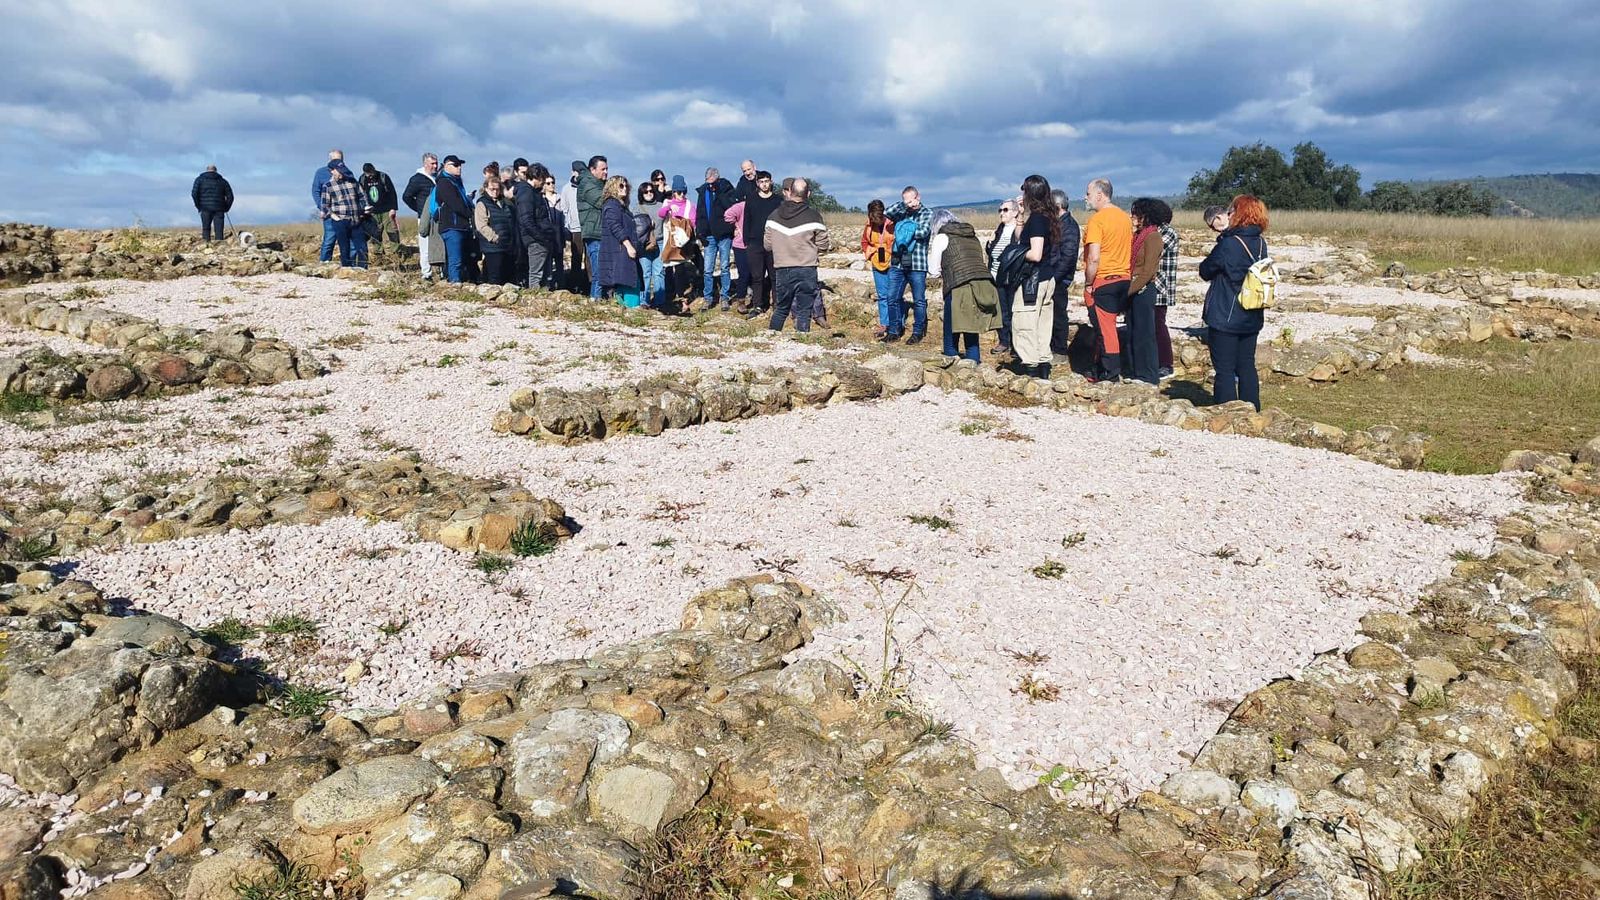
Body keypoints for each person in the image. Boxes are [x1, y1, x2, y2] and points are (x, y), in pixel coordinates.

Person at [1199, 195, 1269, 409]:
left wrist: (1222, 241)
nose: (1228, 213)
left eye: (1232, 210)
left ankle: (1226, 410)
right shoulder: (1260, 242)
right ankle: (1252, 407)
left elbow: (1206, 270)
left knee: (1225, 368)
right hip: (1252, 311)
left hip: (1226, 313)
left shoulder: (1229, 243)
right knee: (1247, 364)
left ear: (1239, 213)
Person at [928, 210, 1002, 362]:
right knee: (971, 332)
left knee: (951, 331)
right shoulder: (971, 235)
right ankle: (974, 368)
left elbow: (933, 271)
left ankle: (951, 366)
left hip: (958, 286)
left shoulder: (942, 237)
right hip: (983, 284)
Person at [1082, 178, 1133, 382]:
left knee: (1106, 329)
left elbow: (1094, 257)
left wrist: (1088, 282)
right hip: (1124, 278)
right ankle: (1100, 367)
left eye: (1088, 193)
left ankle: (1110, 373)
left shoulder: (1098, 220)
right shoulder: (1124, 218)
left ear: (1100, 195)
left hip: (1104, 279)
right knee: (1108, 327)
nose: (1085, 197)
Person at [765, 177, 829, 333]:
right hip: (807, 268)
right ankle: (802, 341)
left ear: (790, 192)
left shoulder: (773, 216)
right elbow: (824, 245)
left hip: (782, 268)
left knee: (781, 309)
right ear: (808, 194)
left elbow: (767, 245)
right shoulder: (814, 216)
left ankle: (770, 338)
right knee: (804, 311)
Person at [1012, 175, 1061, 378]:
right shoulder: (1046, 217)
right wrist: (1021, 216)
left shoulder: (1039, 220)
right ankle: (1042, 368)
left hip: (1033, 280)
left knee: (1025, 322)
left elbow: (1035, 252)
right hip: (1046, 277)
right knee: (1042, 323)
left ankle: (1031, 370)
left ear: (1029, 193)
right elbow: (1019, 237)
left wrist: (1014, 255)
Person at [1124, 198, 1167, 385]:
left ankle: (1148, 375)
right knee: (1133, 331)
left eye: (1136, 213)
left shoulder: (1153, 237)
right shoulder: (1139, 235)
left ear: (1145, 216)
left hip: (1143, 289)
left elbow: (1149, 270)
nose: (1132, 216)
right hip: (1134, 287)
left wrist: (1128, 291)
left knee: (1145, 333)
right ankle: (1136, 371)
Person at [884, 186, 933, 344]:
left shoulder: (927, 213)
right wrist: (903, 205)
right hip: (898, 263)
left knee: (919, 300)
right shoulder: (902, 211)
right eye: (906, 201)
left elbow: (923, 232)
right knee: (892, 297)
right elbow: (887, 212)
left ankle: (918, 332)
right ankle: (894, 330)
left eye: (911, 200)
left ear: (918, 197)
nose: (909, 204)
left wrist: (903, 231)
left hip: (917, 263)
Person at [734, 171, 780, 319]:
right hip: (754, 244)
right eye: (761, 181)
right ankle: (758, 305)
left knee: (774, 276)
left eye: (767, 181)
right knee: (757, 277)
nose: (764, 184)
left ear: (771, 182)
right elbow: (746, 221)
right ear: (757, 183)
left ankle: (777, 305)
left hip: (773, 243)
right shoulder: (752, 199)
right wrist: (747, 241)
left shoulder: (778, 200)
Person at [514, 163, 560, 290]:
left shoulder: (533, 193)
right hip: (536, 240)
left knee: (546, 276)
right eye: (543, 180)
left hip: (541, 238)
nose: (544, 183)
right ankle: (534, 303)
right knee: (537, 275)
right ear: (537, 177)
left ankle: (542, 303)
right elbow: (526, 220)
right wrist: (541, 237)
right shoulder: (526, 192)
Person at [598, 175, 642, 307]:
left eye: (626, 186)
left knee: (627, 282)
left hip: (621, 252)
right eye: (621, 186)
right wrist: (628, 246)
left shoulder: (621, 206)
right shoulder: (611, 205)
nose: (625, 188)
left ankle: (628, 309)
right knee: (628, 282)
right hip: (619, 251)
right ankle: (632, 311)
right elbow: (615, 227)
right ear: (612, 188)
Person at [1048, 188, 1081, 358]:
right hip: (1054, 275)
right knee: (1051, 314)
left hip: (1059, 279)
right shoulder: (1058, 223)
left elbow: (1068, 256)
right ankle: (1052, 347)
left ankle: (1060, 350)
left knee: (1058, 314)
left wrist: (1054, 278)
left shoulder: (1069, 226)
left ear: (1057, 205)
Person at [696, 168, 736, 310]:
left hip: (724, 234)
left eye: (713, 182)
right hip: (709, 235)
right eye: (708, 182)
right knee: (708, 269)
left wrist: (718, 192)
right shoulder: (703, 192)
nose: (711, 185)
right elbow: (700, 212)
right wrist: (700, 232)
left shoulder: (726, 189)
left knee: (725, 267)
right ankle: (708, 298)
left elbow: (730, 207)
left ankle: (724, 297)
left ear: (718, 179)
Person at [318, 161, 370, 268]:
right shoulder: (328, 186)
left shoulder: (353, 182)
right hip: (340, 221)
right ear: (332, 171)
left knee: (362, 247)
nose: (341, 173)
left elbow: (362, 197)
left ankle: (363, 269)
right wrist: (334, 217)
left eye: (342, 170)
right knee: (344, 247)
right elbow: (325, 205)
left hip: (356, 219)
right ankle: (346, 269)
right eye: (338, 170)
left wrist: (364, 209)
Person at [1150, 199, 1180, 380]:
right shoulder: (1155, 232)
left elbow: (1152, 251)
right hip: (1154, 284)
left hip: (1161, 285)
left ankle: (1166, 363)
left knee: (1159, 324)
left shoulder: (1168, 233)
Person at [986, 199, 1020, 355]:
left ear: (1015, 212)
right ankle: (1004, 341)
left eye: (1005, 210)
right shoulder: (1000, 228)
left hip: (1010, 277)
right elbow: (993, 250)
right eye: (1000, 210)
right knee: (1001, 311)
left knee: (1013, 311)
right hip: (995, 275)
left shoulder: (1019, 229)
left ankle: (1015, 344)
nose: (1001, 213)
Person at [434, 155, 474, 283]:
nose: (459, 168)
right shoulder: (444, 182)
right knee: (455, 259)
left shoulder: (457, 182)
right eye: (455, 165)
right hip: (451, 226)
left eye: (460, 165)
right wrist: (469, 213)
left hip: (460, 225)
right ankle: (454, 283)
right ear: (446, 166)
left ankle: (460, 281)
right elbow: (454, 203)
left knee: (462, 258)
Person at [658, 175, 697, 306]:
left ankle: (681, 296)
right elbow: (661, 214)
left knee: (680, 269)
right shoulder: (667, 203)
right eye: (678, 192)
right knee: (667, 268)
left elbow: (693, 222)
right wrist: (669, 208)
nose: (680, 195)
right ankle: (669, 296)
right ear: (674, 192)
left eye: (683, 192)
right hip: (669, 241)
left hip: (682, 242)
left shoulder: (690, 205)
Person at [861, 200, 895, 340]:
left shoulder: (892, 224)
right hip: (877, 262)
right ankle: (884, 324)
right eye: (873, 218)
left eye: (878, 219)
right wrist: (870, 254)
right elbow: (864, 242)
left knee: (893, 295)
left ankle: (896, 323)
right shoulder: (868, 225)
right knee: (882, 295)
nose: (876, 222)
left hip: (892, 263)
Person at [474, 177, 517, 284]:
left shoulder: (505, 203)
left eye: (497, 189)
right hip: (492, 247)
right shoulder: (482, 203)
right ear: (485, 188)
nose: (495, 191)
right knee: (494, 278)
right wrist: (494, 238)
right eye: (492, 189)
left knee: (507, 277)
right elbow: (481, 226)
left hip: (507, 246)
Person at [403, 153, 439, 279]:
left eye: (436, 163)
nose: (435, 166)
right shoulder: (417, 179)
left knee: (439, 245)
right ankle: (426, 274)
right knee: (425, 247)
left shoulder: (438, 178)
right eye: (432, 164)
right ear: (425, 164)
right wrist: (420, 210)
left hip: (439, 218)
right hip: (424, 219)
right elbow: (406, 196)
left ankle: (441, 273)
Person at [577, 156, 607, 298]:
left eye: (607, 169)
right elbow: (602, 201)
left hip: (600, 231)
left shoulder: (599, 184)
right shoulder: (588, 184)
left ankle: (599, 300)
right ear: (592, 170)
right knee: (598, 273)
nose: (606, 172)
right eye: (603, 169)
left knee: (602, 271)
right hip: (594, 232)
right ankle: (595, 301)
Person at [359, 163, 400, 263]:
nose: (370, 176)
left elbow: (392, 193)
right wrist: (363, 209)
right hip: (372, 212)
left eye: (371, 173)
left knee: (392, 231)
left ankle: (396, 254)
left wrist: (393, 208)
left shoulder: (383, 177)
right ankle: (378, 256)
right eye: (367, 174)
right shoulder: (362, 179)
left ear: (374, 169)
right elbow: (360, 194)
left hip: (386, 210)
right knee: (375, 234)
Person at [636, 179, 665, 307]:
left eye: (651, 191)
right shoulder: (637, 208)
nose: (649, 193)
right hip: (643, 245)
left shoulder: (661, 206)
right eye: (645, 191)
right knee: (645, 273)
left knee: (659, 273)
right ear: (641, 194)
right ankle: (644, 301)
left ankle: (660, 301)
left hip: (660, 242)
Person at [312, 149, 344, 262]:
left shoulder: (346, 172)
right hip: (328, 212)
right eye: (334, 159)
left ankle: (348, 266)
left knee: (347, 241)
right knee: (329, 240)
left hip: (344, 212)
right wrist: (322, 207)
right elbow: (315, 191)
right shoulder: (320, 173)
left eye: (339, 160)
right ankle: (324, 264)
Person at [191, 165, 233, 242]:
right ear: (216, 171)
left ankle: (206, 245)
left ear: (207, 170)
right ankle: (219, 247)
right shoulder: (223, 181)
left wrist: (198, 206)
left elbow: (194, 194)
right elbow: (230, 197)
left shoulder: (199, 180)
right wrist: (226, 208)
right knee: (219, 230)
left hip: (205, 208)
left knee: (206, 228)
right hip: (219, 209)